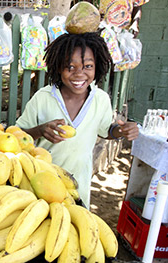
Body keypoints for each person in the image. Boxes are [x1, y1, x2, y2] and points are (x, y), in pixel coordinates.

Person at [16, 32, 139, 209]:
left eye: (88, 66)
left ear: (97, 67)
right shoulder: (42, 98)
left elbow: (106, 130)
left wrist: (121, 131)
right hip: (41, 182)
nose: (79, 74)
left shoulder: (101, 99)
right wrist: (39, 131)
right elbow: (17, 134)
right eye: (70, 67)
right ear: (58, 67)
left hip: (78, 185)